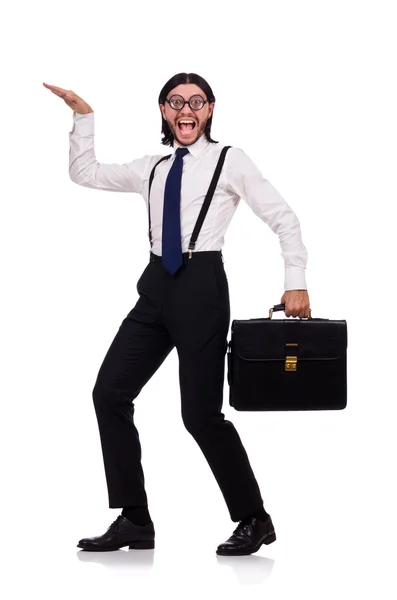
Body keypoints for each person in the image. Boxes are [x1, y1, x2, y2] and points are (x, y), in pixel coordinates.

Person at [43, 73, 310, 556]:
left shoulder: (230, 160)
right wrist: (83, 117)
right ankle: (134, 518)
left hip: (202, 289)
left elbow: (284, 218)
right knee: (109, 393)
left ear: (209, 108)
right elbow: (85, 173)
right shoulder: (152, 167)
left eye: (196, 102)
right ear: (164, 110)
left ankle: (255, 518)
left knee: (200, 415)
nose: (185, 110)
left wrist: (295, 280)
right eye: (175, 102)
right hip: (155, 291)